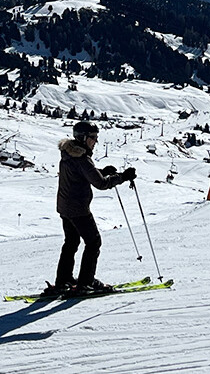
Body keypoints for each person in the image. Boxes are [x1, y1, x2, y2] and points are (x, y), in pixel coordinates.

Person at [51, 119, 135, 295]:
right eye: (93, 137)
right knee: (93, 241)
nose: (95, 141)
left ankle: (63, 280)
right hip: (78, 209)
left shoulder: (68, 154)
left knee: (71, 242)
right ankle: (86, 282)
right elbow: (101, 184)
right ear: (83, 138)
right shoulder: (82, 159)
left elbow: (81, 175)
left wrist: (101, 171)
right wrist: (123, 177)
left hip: (65, 207)